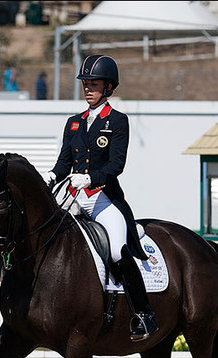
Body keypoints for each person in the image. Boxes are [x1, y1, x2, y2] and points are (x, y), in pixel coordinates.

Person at [41, 54, 158, 341]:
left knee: (118, 250)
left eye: (93, 84)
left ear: (108, 87)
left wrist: (91, 178)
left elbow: (116, 165)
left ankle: (142, 315)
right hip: (72, 197)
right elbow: (63, 163)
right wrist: (51, 176)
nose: (88, 89)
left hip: (102, 199)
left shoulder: (117, 121)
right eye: (85, 84)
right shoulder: (73, 123)